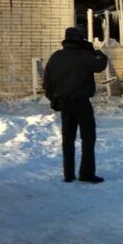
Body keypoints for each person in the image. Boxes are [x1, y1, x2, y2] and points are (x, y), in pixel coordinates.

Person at [43, 27, 109, 183]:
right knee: (88, 138)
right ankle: (86, 174)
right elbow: (101, 64)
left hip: (64, 104)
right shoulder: (84, 56)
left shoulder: (56, 57)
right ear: (80, 40)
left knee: (68, 140)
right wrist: (95, 51)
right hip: (82, 104)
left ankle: (68, 174)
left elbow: (47, 82)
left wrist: (53, 99)